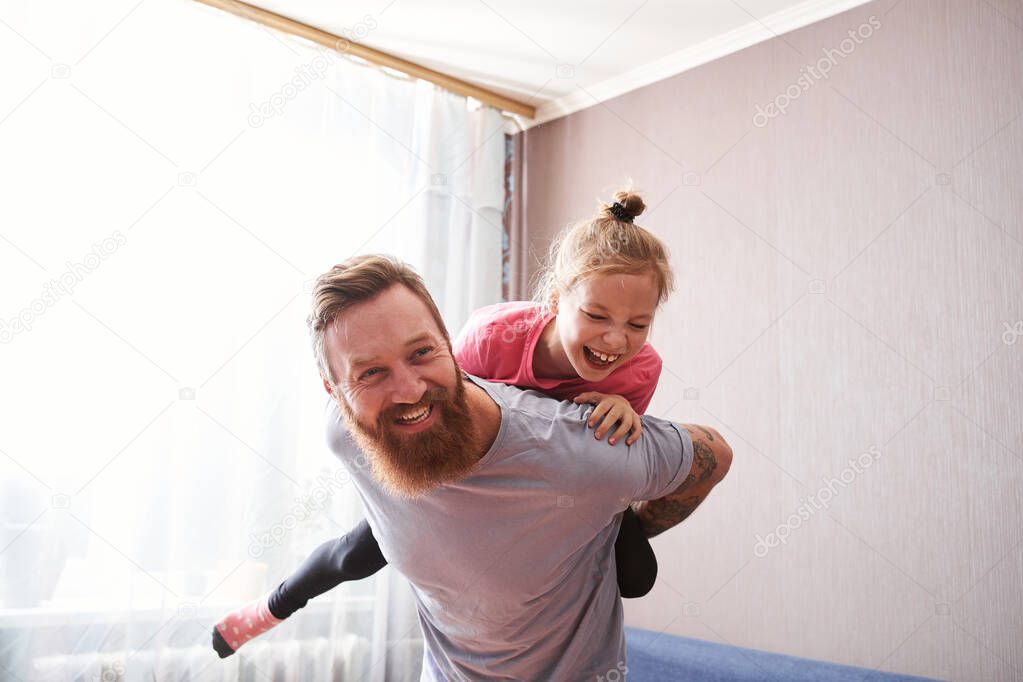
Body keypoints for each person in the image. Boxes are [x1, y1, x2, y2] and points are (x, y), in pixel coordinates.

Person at [212, 196, 732, 675]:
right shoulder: (490, 336)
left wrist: (616, 437)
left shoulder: (630, 383)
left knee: (636, 575)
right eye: (370, 373)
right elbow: (449, 395)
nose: (616, 339)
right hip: (443, 462)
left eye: (637, 324)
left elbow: (668, 451)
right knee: (358, 550)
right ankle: (269, 608)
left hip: (570, 487)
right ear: (555, 300)